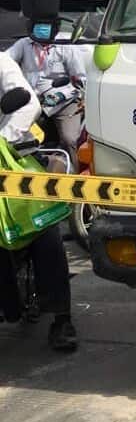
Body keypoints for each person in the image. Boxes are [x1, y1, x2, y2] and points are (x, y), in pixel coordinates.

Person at [0, 52, 76, 351]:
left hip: (13, 156)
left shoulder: (1, 62)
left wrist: (3, 138)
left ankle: (62, 317)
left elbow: (27, 102)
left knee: (44, 231)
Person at [6, 33, 86, 149]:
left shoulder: (65, 45)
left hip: (64, 103)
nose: (43, 28)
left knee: (70, 140)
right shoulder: (24, 43)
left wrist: (62, 95)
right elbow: (5, 60)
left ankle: (73, 166)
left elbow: (81, 80)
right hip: (31, 102)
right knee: (13, 137)